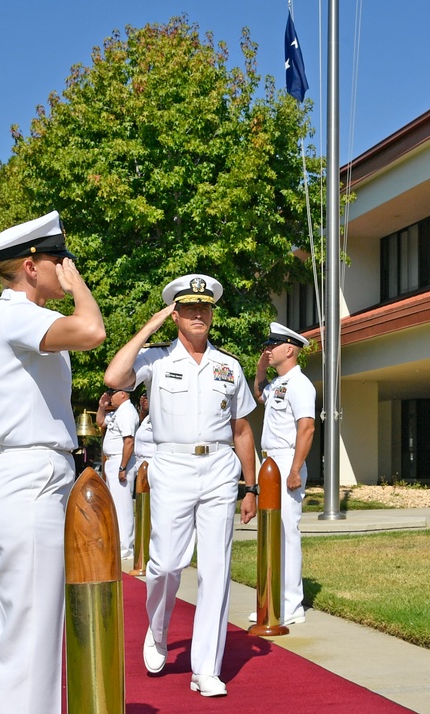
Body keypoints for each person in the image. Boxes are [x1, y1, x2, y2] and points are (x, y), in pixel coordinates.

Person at [0, 210, 105, 714]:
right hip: (27, 480)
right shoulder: (16, 313)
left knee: (14, 637)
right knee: (30, 643)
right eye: (59, 259)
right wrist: (79, 287)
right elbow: (92, 330)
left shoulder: (14, 318)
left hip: (19, 476)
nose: (66, 267)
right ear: (32, 266)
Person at [104, 273, 258, 699]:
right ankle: (156, 631)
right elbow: (114, 378)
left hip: (220, 468)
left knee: (216, 570)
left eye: (205, 308)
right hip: (171, 464)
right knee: (166, 565)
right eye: (189, 308)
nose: (198, 314)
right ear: (175, 314)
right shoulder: (155, 359)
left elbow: (242, 428)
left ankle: (205, 667)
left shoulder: (229, 366)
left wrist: (251, 486)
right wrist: (148, 327)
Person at [250, 322, 316, 626]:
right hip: (270, 463)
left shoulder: (301, 384)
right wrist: (260, 371)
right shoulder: (279, 383)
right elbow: (260, 395)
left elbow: (307, 427)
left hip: (287, 459)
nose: (268, 350)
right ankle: (274, 599)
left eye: (273, 346)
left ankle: (292, 604)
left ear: (289, 349)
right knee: (272, 533)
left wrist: (294, 470)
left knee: (288, 533)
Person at [96, 387, 138, 560]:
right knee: (114, 505)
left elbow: (129, 441)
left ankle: (125, 549)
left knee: (123, 507)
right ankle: (118, 544)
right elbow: (100, 422)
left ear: (123, 394)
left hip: (122, 460)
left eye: (113, 393)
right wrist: (102, 406)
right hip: (113, 461)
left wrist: (122, 467)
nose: (110, 396)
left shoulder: (127, 411)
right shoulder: (118, 412)